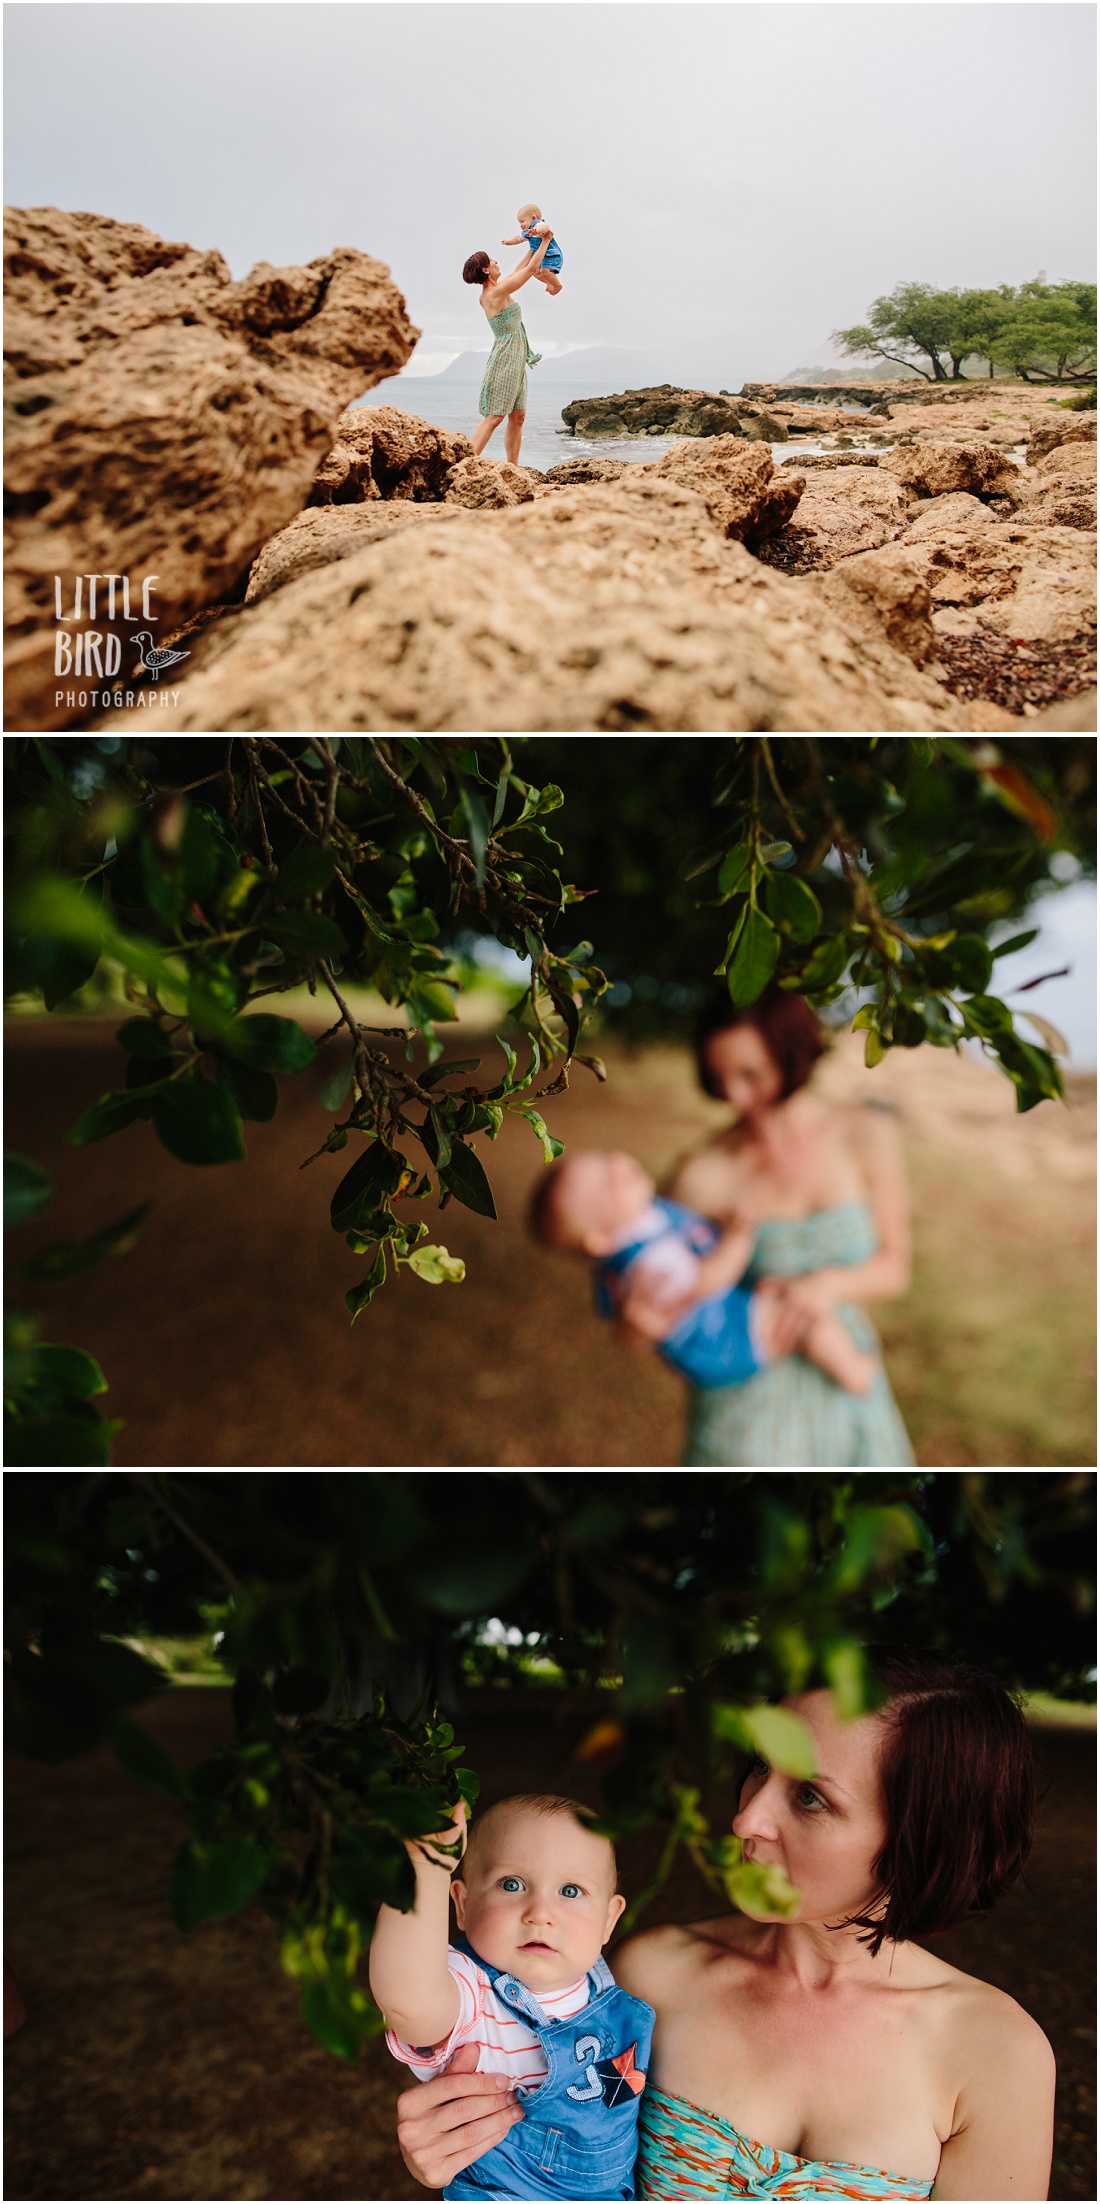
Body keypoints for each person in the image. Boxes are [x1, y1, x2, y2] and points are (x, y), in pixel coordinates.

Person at [393, 1649, 1056, 2201]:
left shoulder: (996, 2057)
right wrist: (457, 2146)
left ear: (922, 1840)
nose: (745, 1819)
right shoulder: (651, 1977)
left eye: (810, 1798)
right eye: (761, 1767)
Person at [656, 982, 915, 1466]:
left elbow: (895, 1269)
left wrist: (826, 1285)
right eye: (720, 1078)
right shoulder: (703, 1174)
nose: (735, 1097)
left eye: (750, 1075)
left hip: (846, 1375)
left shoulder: (864, 1133)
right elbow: (654, 1277)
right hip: (746, 1389)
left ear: (791, 1054)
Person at [370, 1793, 655, 2200]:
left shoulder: (608, 1996)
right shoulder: (472, 1991)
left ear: (609, 1919)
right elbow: (408, 1999)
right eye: (512, 1884)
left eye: (570, 1891)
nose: (540, 1912)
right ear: (463, 1905)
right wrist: (421, 1874)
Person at [530, 1148, 877, 1396]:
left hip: (726, 1317)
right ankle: (854, 1371)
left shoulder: (646, 1216)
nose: (620, 1165)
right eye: (608, 1183)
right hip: (722, 1338)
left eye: (608, 1159)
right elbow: (708, 1280)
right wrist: (739, 1238)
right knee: (806, 1320)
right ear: (602, 1238)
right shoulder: (649, 1264)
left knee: (784, 1301)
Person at [461, 230, 554, 466]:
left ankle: (514, 467)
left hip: (516, 357)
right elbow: (530, 270)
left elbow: (518, 270)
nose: (496, 262)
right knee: (494, 417)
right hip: (505, 358)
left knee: (518, 417)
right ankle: (465, 464)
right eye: (492, 261)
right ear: (485, 269)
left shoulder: (497, 289)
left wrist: (533, 245)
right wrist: (545, 240)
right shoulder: (494, 293)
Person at [500, 204, 564, 296]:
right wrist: (509, 242)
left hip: (551, 255)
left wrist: (537, 230)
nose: (521, 225)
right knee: (534, 272)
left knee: (544, 271)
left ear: (533, 217)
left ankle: (557, 285)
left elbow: (545, 228)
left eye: (522, 221)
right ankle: (549, 281)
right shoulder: (527, 232)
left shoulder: (538, 224)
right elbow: (518, 238)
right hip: (541, 257)